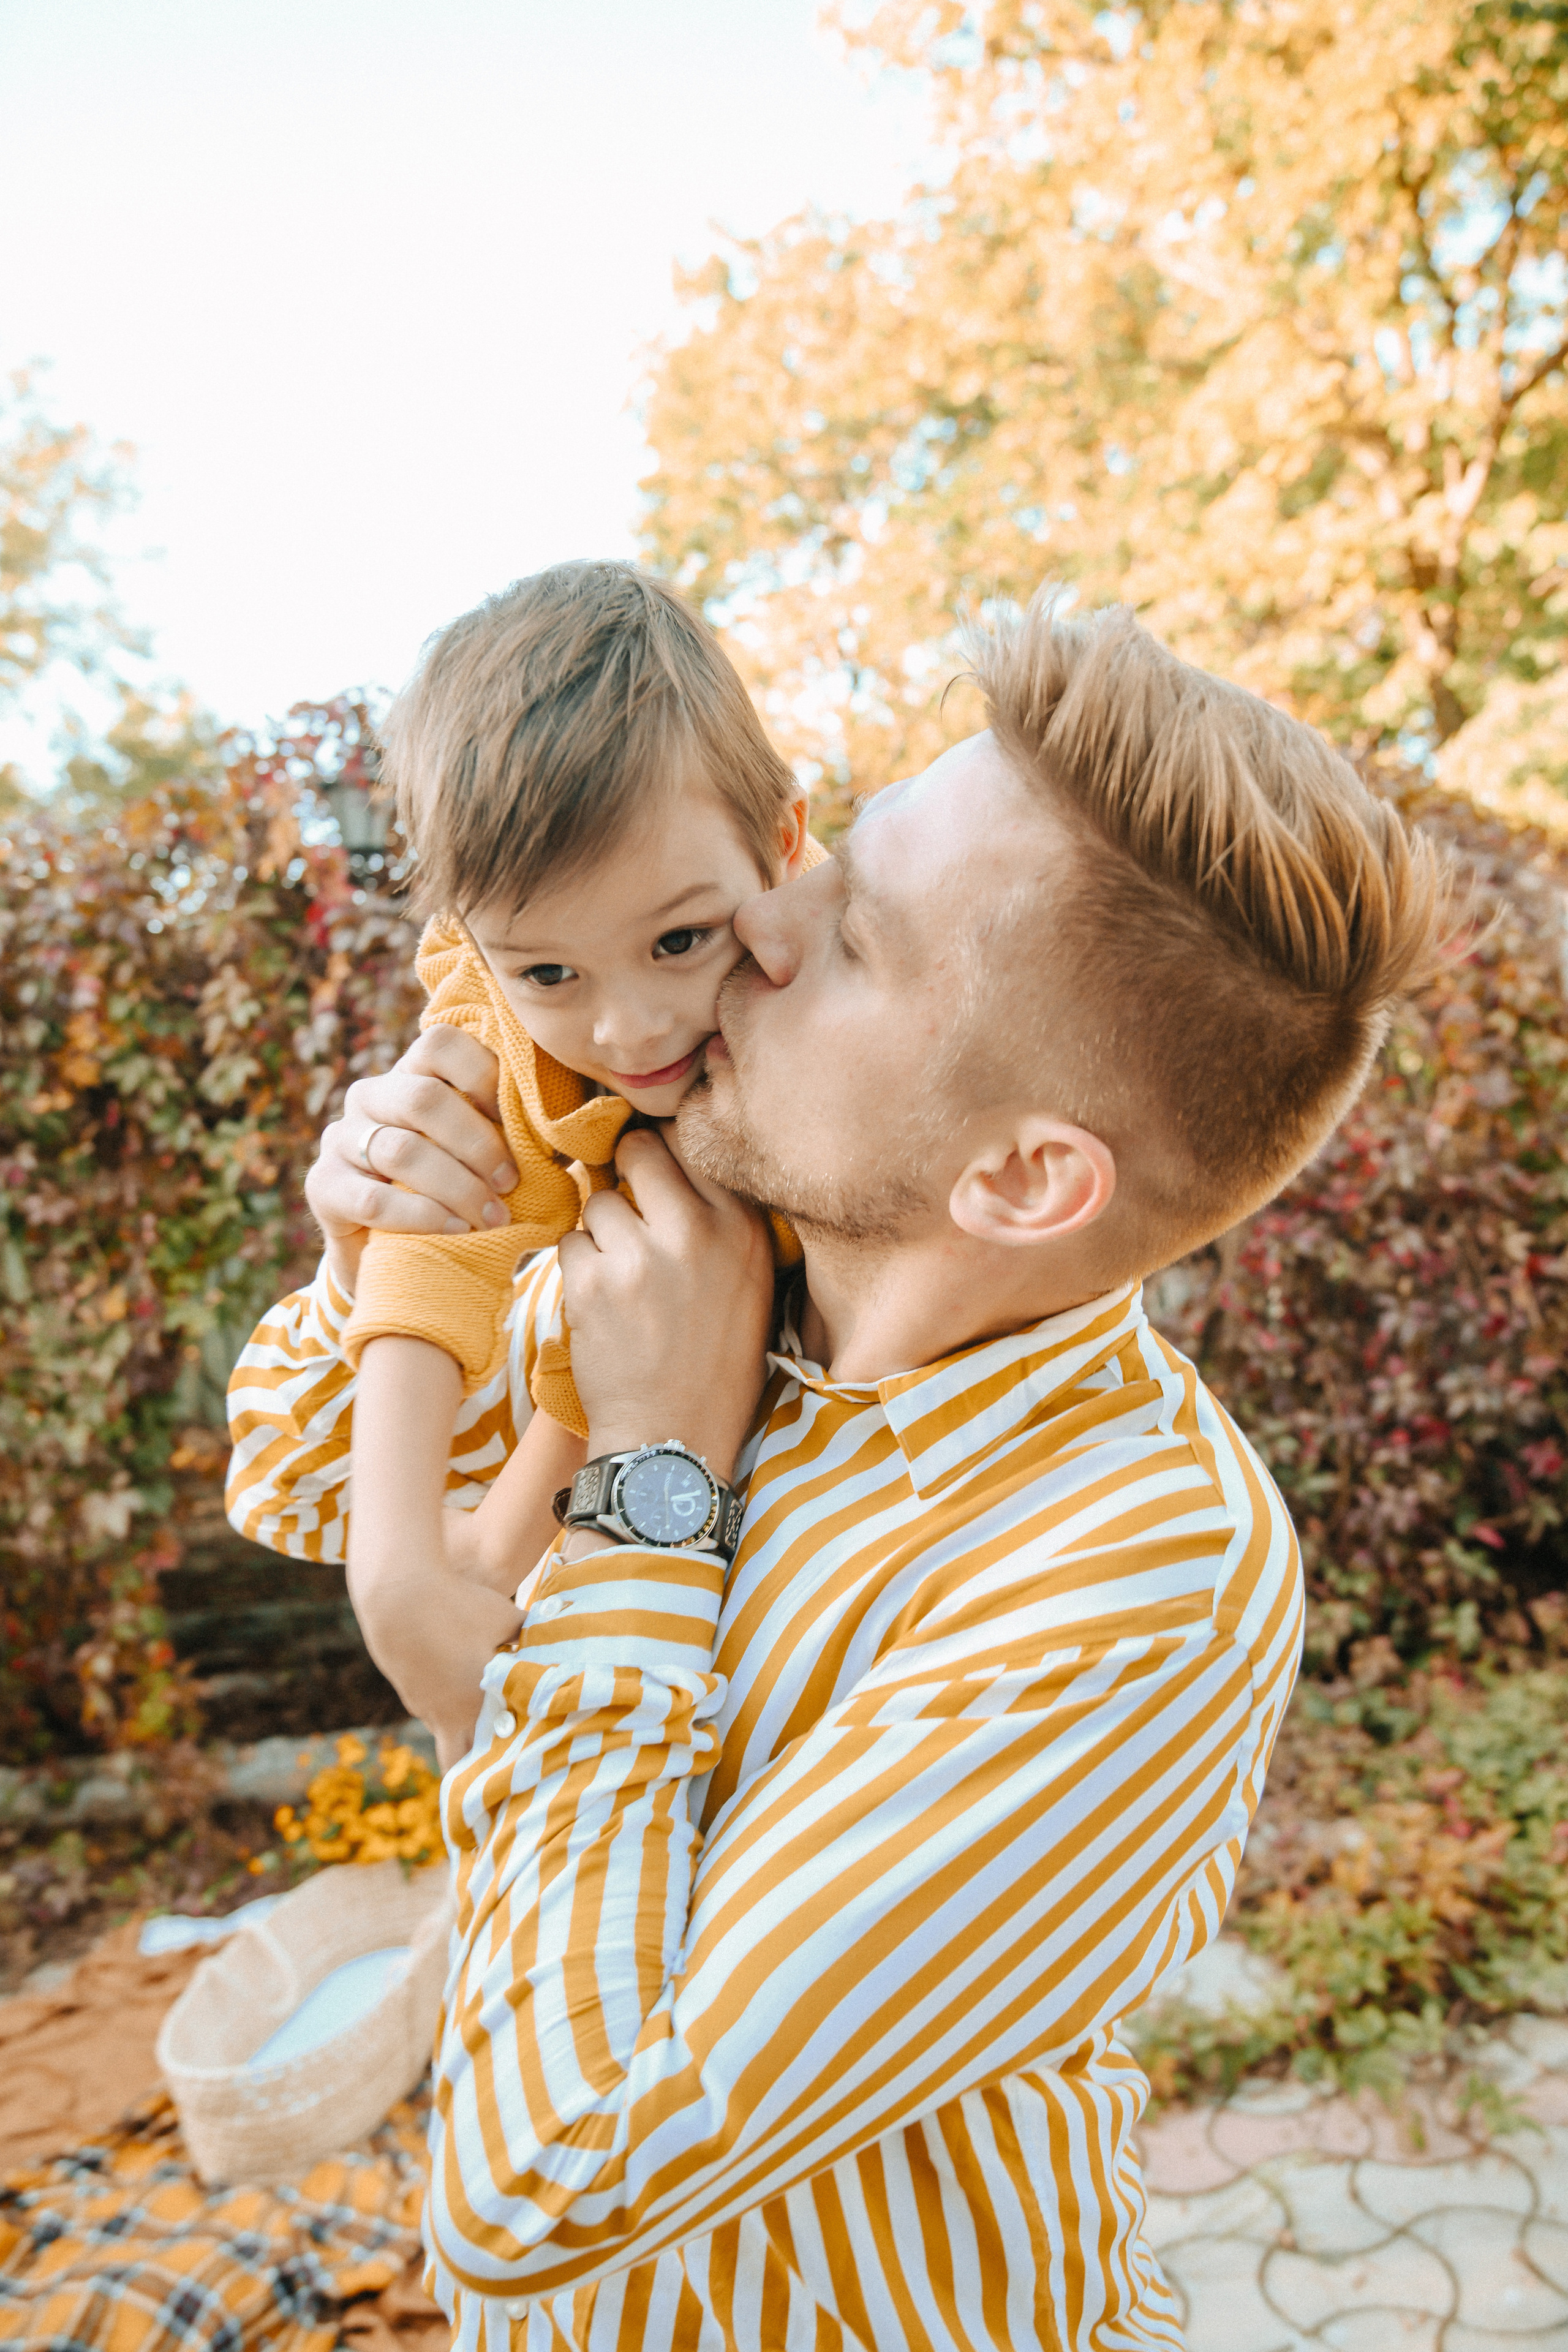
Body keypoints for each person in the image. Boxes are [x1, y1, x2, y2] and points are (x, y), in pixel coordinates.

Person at [227, 592, 1449, 2350]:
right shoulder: (694, 1253)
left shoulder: (1138, 1573)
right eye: (835, 855)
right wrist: (374, 1254)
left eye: (860, 937)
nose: (771, 913)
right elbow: (298, 1485)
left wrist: (656, 1489)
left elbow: (540, 2188)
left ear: (1027, 1182)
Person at [327, 561, 820, 1762]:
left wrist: (490, 1552)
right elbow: (446, 1237)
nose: (628, 1031)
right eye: (549, 972)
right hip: (625, 1465)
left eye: (679, 939)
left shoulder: (836, 1019)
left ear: (782, 844)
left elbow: (710, 1289)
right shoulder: (504, 1023)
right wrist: (393, 1563)